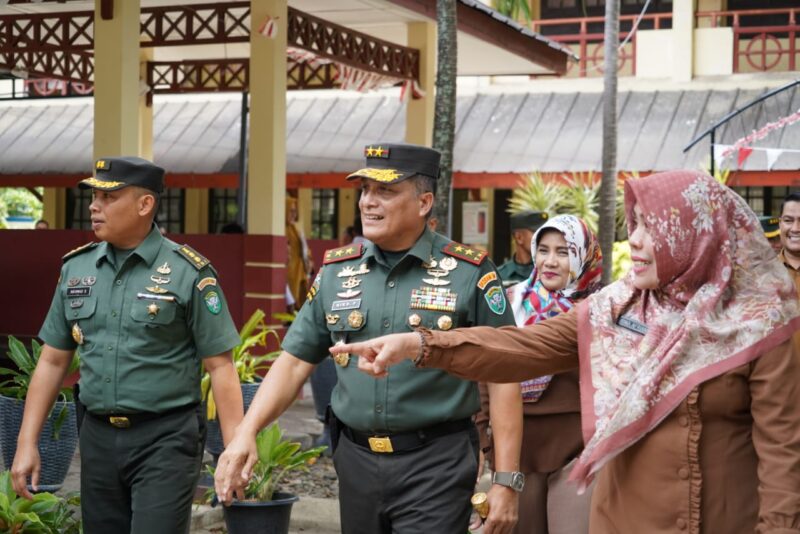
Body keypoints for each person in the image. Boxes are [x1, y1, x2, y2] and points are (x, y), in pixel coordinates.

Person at [334, 170, 800, 533]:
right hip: (626, 520)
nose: (633, 241)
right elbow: (523, 346)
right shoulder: (615, 310)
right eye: (632, 227)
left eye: (651, 230)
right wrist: (422, 344)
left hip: (723, 519)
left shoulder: (763, 324)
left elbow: (783, 454)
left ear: (697, 237)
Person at [215, 143, 523, 534]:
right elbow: (293, 362)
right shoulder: (336, 272)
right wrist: (246, 432)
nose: (368, 203)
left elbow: (504, 375)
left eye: (386, 191)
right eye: (364, 191)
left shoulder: (469, 272)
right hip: (356, 461)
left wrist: (506, 479)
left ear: (424, 202)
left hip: (436, 463)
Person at [11, 156, 244, 534]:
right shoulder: (76, 269)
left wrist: (234, 452)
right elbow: (53, 361)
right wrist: (26, 442)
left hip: (166, 439)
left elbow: (221, 366)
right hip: (98, 437)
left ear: (145, 204)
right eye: (94, 196)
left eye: (109, 196)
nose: (94, 205)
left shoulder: (188, 272)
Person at [477, 214, 601, 534]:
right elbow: (485, 374)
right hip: (517, 451)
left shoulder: (603, 309)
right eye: (543, 250)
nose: (550, 261)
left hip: (579, 450)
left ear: (583, 255)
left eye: (563, 252)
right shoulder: (510, 302)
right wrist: (484, 444)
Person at [497, 211, 549, 287]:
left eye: (545, 233)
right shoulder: (499, 276)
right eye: (537, 233)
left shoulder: (549, 272)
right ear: (519, 237)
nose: (543, 238)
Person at [286, 196, 313, 310]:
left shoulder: (295, 229)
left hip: (300, 271)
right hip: (289, 272)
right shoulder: (282, 230)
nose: (294, 215)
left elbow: (305, 249)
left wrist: (309, 260)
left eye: (295, 211)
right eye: (291, 211)